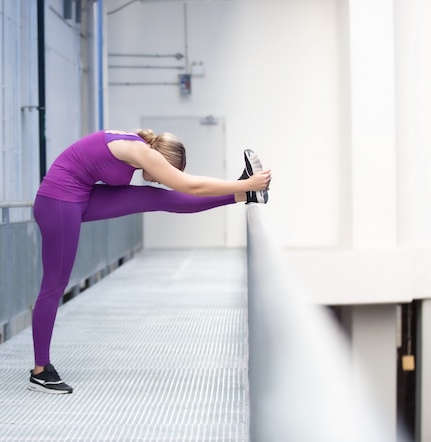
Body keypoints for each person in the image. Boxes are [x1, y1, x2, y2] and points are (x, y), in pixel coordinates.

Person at [28, 129, 271, 394]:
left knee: (163, 198)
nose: (159, 180)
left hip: (82, 194)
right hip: (58, 201)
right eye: (164, 174)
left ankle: (243, 196)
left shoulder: (139, 148)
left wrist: (243, 188)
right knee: (53, 286)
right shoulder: (141, 151)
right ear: (162, 161)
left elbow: (180, 189)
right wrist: (246, 182)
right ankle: (41, 371)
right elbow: (192, 186)